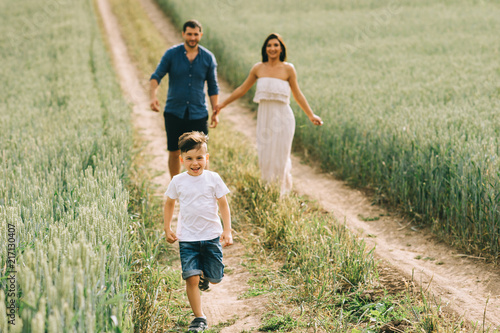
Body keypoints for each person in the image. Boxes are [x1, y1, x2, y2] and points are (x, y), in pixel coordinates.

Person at [214, 33, 323, 194]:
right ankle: (267, 190)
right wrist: (222, 104)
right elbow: (242, 89)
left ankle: (280, 194)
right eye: (269, 45)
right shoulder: (258, 68)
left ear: (281, 48)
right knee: (265, 156)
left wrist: (311, 115)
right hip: (265, 118)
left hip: (283, 119)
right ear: (265, 49)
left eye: (276, 45)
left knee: (280, 156)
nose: (272, 48)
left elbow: (298, 94)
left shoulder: (288, 69)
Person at [163, 131, 232, 332]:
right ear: (181, 159)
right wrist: (167, 228)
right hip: (188, 239)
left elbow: (224, 205)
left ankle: (206, 276)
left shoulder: (213, 178)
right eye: (190, 159)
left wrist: (227, 230)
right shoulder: (178, 181)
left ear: (206, 158)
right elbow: (169, 203)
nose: (195, 163)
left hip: (211, 236)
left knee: (216, 277)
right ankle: (199, 318)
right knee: (190, 278)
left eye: (199, 158)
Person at [150, 19, 220, 178]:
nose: (192, 38)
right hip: (174, 112)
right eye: (189, 34)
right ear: (183, 34)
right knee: (174, 152)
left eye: (196, 34)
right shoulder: (171, 54)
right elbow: (156, 76)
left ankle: (202, 188)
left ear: (200, 35)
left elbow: (213, 86)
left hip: (198, 113)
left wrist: (215, 110)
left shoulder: (208, 58)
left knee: (201, 153)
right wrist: (153, 96)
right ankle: (175, 187)